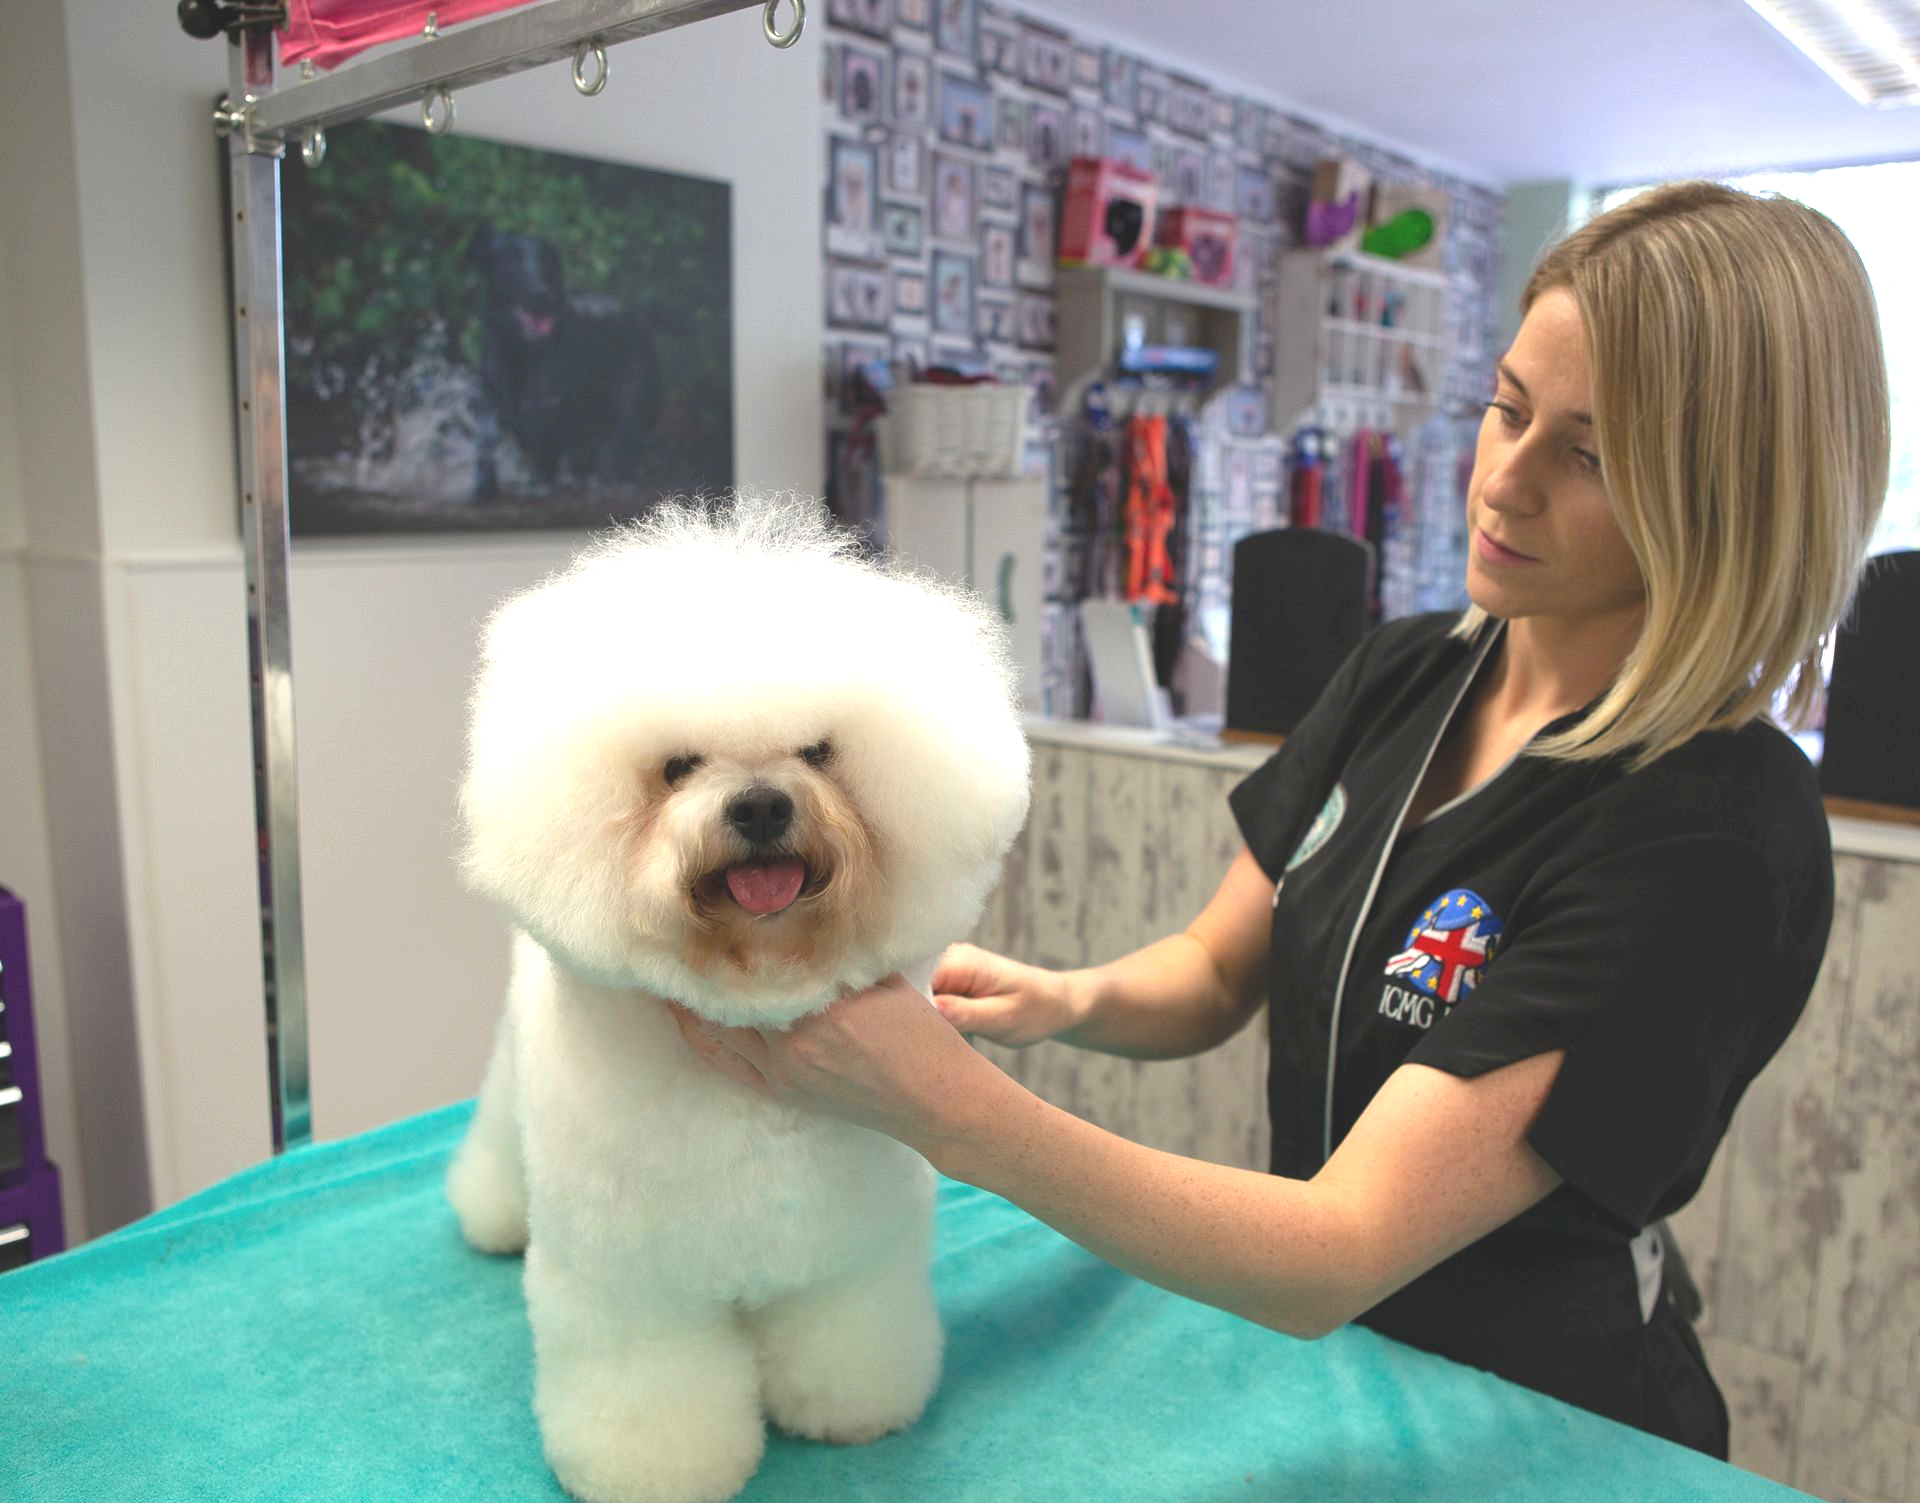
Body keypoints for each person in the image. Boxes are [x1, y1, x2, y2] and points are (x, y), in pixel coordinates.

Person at [672, 182, 1890, 1457]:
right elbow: (1212, 969)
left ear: (1729, 497)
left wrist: (952, 1113)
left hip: (1534, 1417)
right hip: (1335, 1367)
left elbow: (1342, 1248)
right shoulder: (1410, 675)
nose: (1504, 484)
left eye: (1586, 455)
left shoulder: (1710, 830)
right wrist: (1061, 1001)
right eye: (1507, 408)